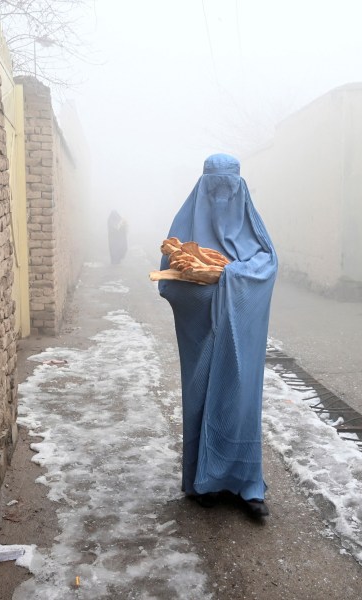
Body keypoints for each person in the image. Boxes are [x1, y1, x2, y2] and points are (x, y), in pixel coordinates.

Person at [158, 154, 278, 519]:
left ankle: (246, 483)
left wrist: (232, 277)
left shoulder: (252, 225)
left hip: (242, 331)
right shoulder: (185, 224)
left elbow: (269, 262)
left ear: (240, 189)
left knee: (239, 403)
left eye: (229, 189)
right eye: (215, 190)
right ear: (203, 187)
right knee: (201, 398)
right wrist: (205, 289)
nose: (222, 198)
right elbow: (169, 276)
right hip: (202, 332)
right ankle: (202, 482)